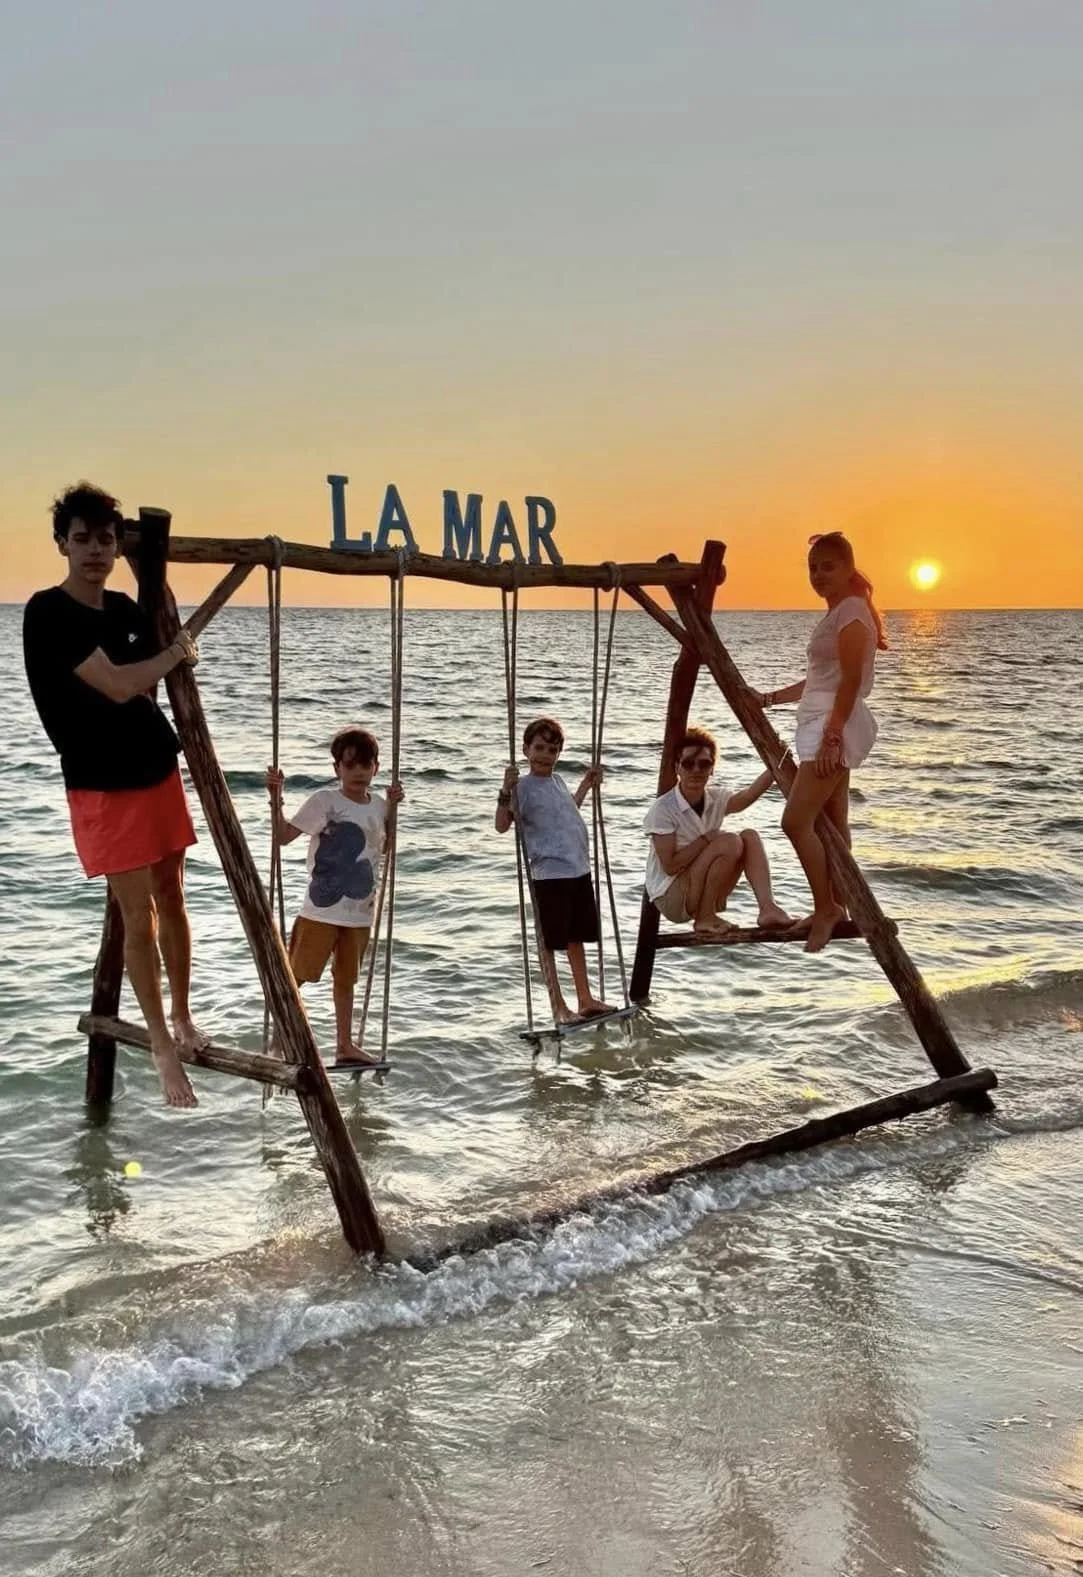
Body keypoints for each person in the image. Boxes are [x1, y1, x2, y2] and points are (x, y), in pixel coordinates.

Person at [22, 482, 205, 1108]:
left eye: (106, 539)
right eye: (82, 539)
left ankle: (182, 1015)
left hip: (155, 768)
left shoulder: (125, 608)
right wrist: (177, 654)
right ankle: (158, 1044)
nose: (95, 551)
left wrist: (169, 646)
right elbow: (122, 685)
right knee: (138, 915)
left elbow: (154, 641)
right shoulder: (47, 613)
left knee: (173, 895)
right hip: (102, 784)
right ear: (61, 545)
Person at [752, 531, 888, 953]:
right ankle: (841, 902)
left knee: (795, 822)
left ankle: (826, 906)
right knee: (834, 821)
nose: (818, 575)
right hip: (822, 719)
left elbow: (848, 684)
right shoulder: (842, 612)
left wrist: (832, 737)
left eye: (828, 566)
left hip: (832, 725)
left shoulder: (850, 615)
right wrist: (769, 699)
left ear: (849, 569)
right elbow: (819, 680)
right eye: (813, 567)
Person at [266, 727, 404, 1066]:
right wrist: (276, 798)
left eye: (365, 764)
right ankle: (281, 1037)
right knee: (296, 974)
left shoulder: (382, 807)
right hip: (321, 911)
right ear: (337, 769)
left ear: (376, 767)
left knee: (346, 980)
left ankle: (344, 1046)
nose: (358, 772)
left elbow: (386, 850)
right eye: (350, 765)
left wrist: (395, 810)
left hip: (360, 912)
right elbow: (283, 838)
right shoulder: (325, 802)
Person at [495, 716, 612, 1024]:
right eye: (539, 748)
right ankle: (558, 1005)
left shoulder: (558, 782)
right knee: (551, 942)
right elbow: (502, 825)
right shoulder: (523, 787)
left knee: (576, 937)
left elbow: (568, 811)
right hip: (550, 873)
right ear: (526, 750)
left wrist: (586, 785)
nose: (545, 755)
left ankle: (585, 999)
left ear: (559, 754)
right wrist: (505, 790)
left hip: (577, 868)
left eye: (552, 749)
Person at [643, 726, 792, 937]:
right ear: (677, 768)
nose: (696, 770)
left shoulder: (715, 798)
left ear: (712, 768)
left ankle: (768, 908)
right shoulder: (664, 809)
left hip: (700, 887)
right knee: (730, 841)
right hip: (671, 895)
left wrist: (776, 764)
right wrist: (707, 839)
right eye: (688, 764)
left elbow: (747, 797)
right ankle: (705, 916)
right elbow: (670, 866)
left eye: (704, 764)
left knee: (749, 837)